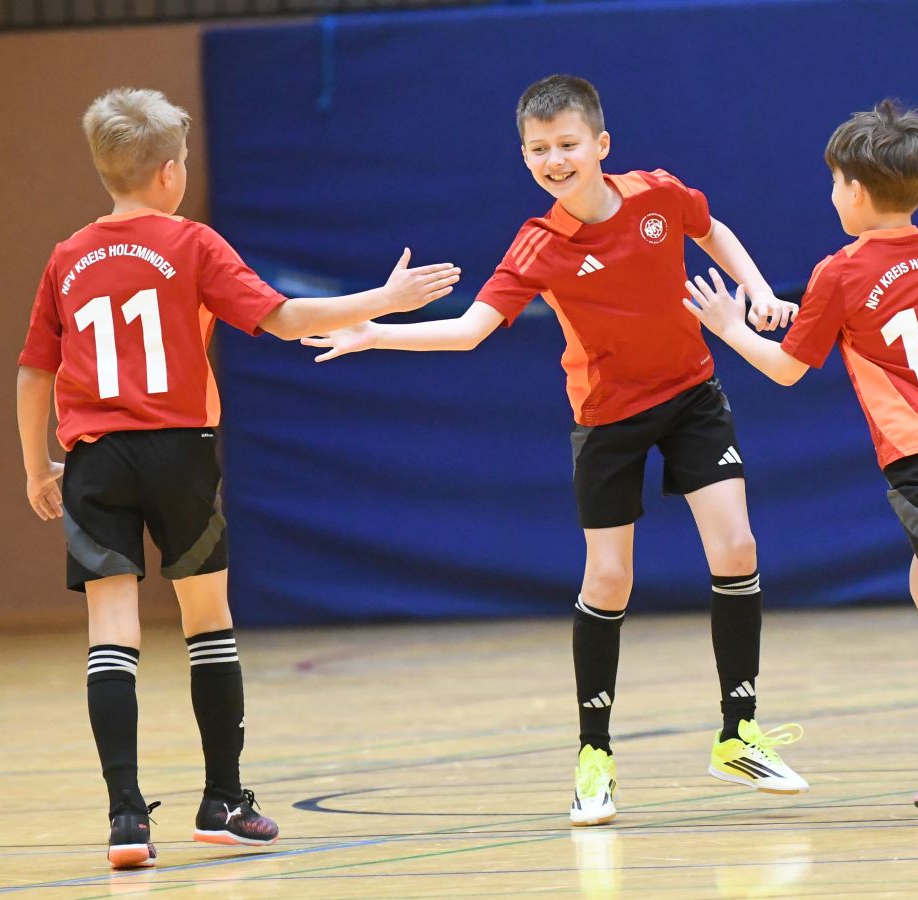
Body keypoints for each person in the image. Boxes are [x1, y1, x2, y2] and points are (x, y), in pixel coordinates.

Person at [302, 74, 810, 827]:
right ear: (525, 156)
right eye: (539, 150)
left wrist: (759, 287)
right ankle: (594, 757)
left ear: (601, 146)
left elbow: (712, 229)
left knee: (736, 545)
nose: (554, 159)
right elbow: (471, 329)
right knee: (609, 578)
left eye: (567, 145)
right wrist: (375, 330)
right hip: (607, 418)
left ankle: (738, 733)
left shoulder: (656, 195)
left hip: (693, 396)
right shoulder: (538, 246)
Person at [15, 87, 461, 867]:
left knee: (111, 638)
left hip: (93, 460)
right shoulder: (192, 244)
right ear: (167, 174)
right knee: (207, 625)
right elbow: (285, 318)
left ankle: (126, 819)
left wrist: (34, 468)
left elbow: (31, 372)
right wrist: (383, 303)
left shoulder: (66, 256)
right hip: (179, 453)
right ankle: (223, 798)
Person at [681, 99, 918, 827]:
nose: (831, 195)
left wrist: (727, 326)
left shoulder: (841, 271)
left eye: (833, 183)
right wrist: (800, 314)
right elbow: (888, 331)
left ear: (852, 188)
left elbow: (788, 370)